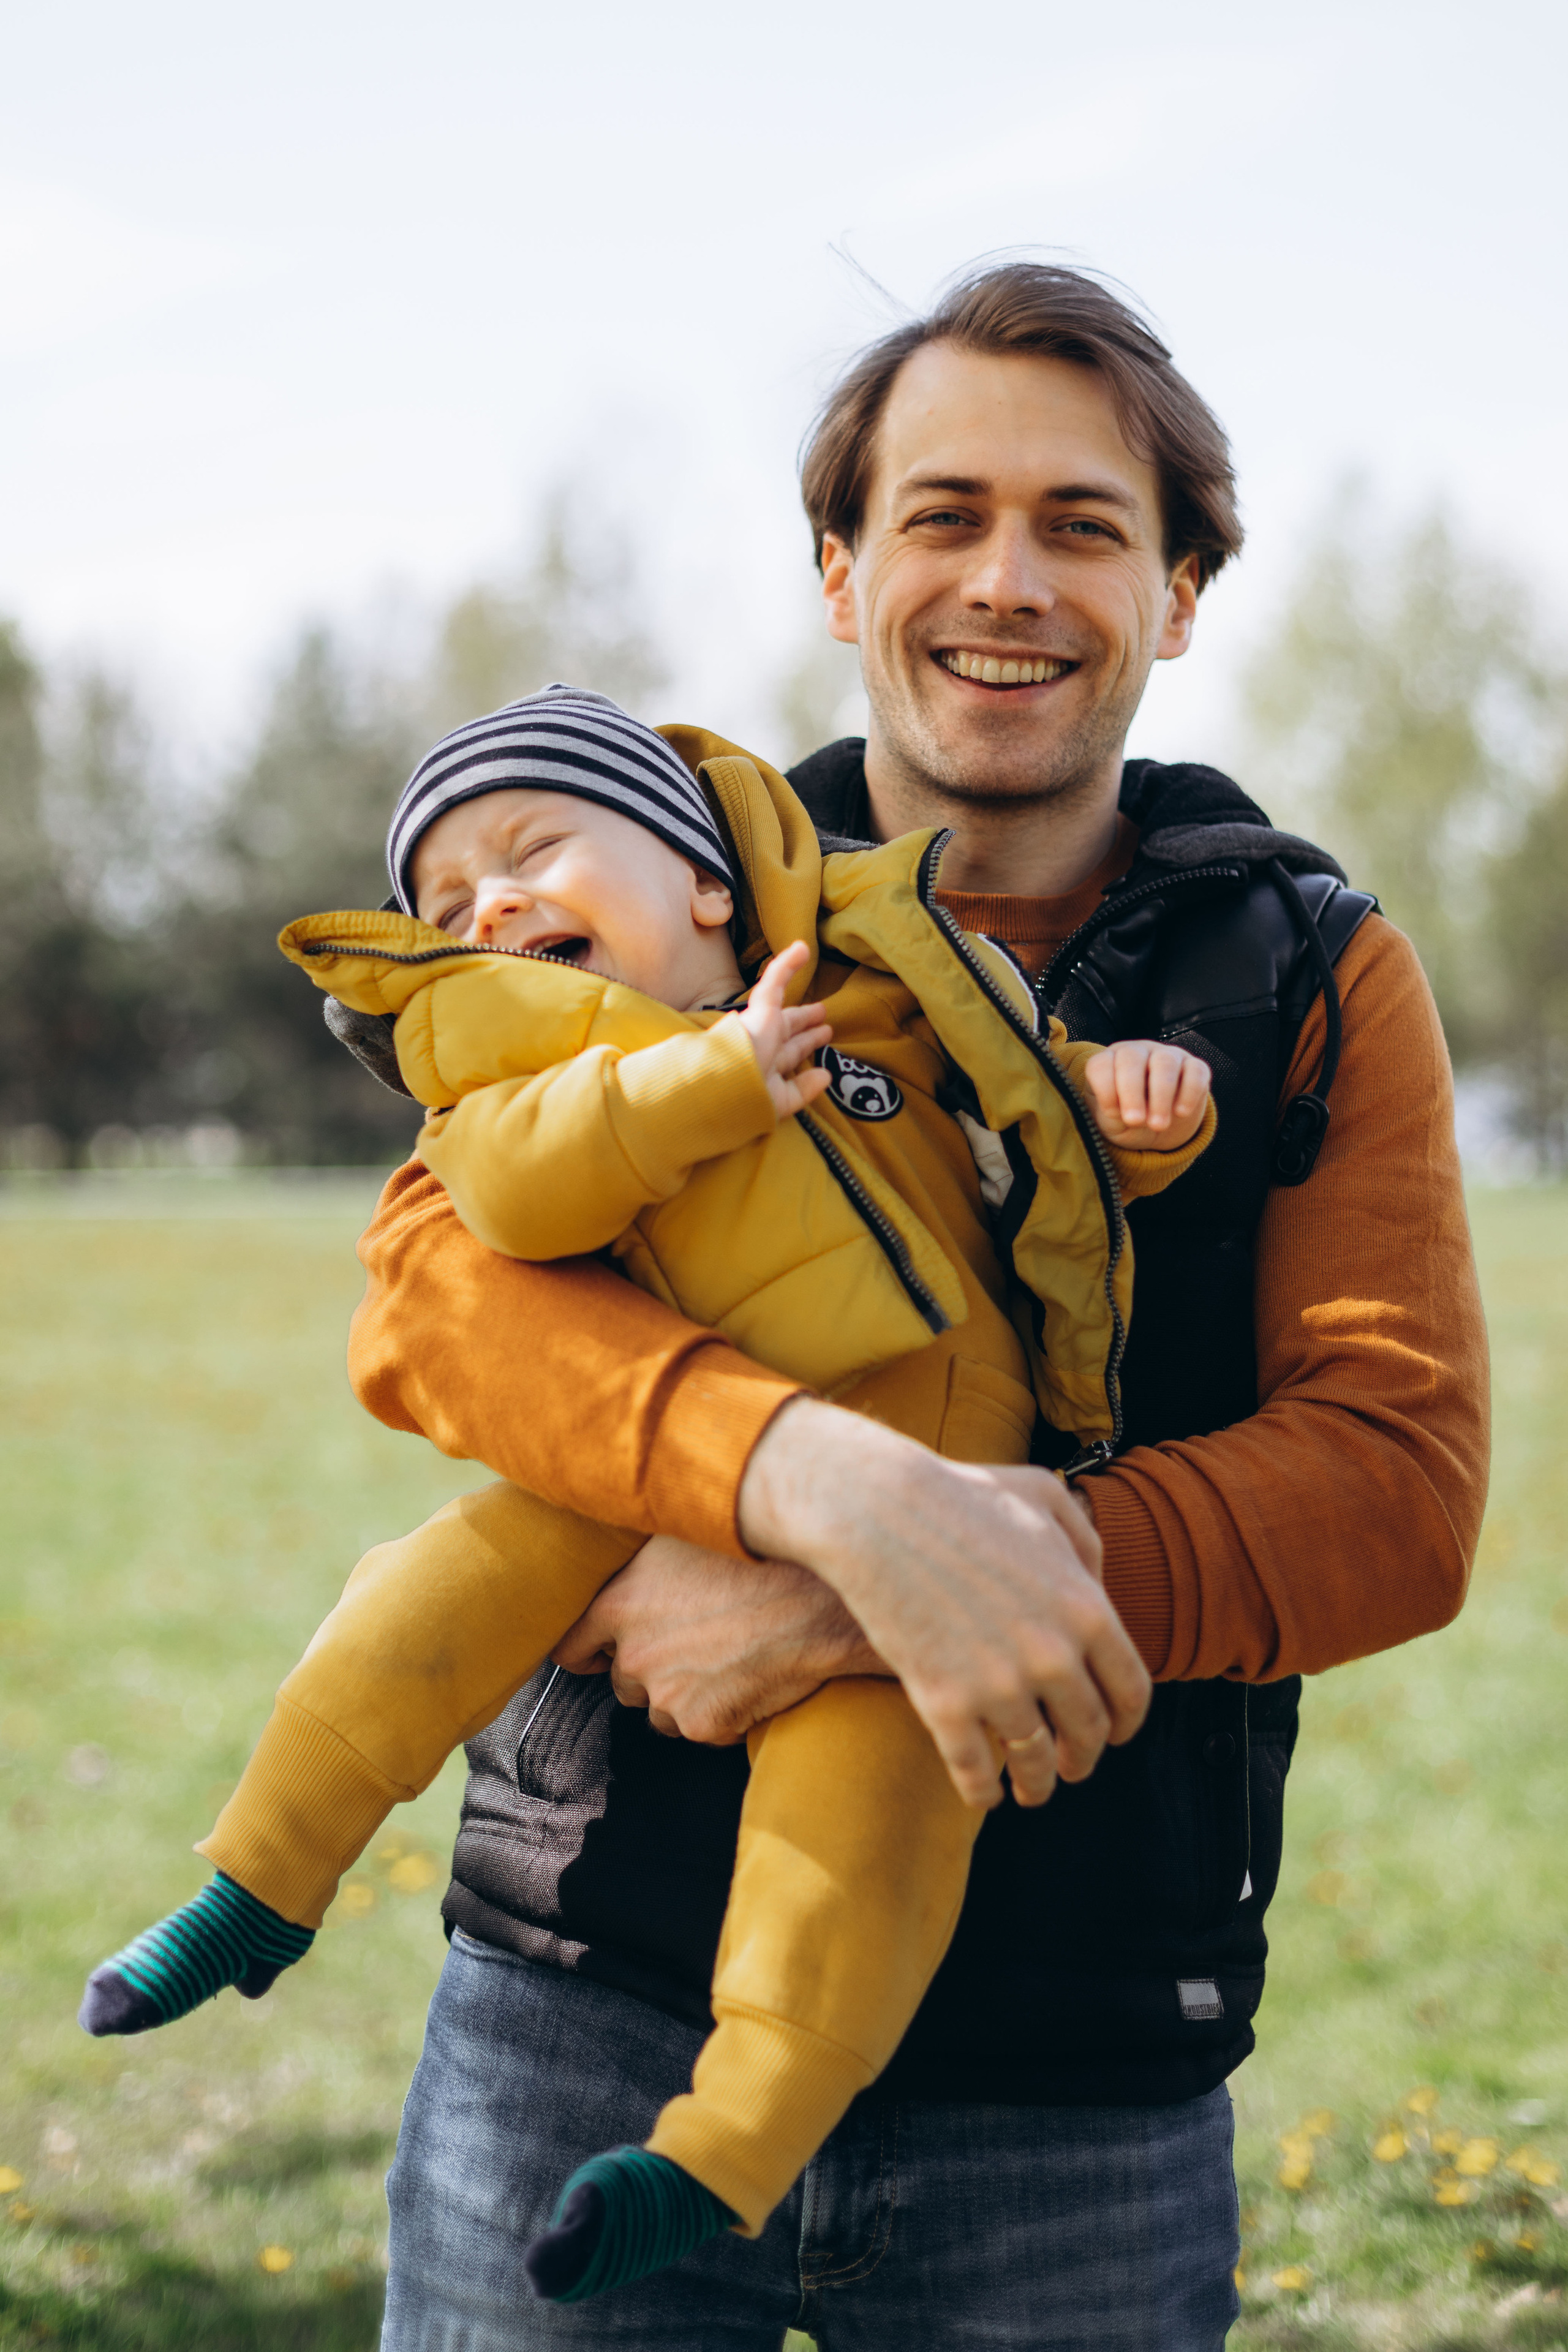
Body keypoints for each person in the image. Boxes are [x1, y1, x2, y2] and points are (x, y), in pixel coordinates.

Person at [341, 265, 1488, 2350]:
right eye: (944, 515)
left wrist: (906, 1573)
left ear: (1184, 592)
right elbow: (434, 1297)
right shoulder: (661, 899)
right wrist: (824, 1486)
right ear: (843, 570)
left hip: (1080, 2073)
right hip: (588, 1999)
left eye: (1085, 526)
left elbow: (1395, 1489)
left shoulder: (1313, 970)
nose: (1010, 580)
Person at [78, 684, 1213, 2304]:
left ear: (697, 879)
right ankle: (254, 1885)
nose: (494, 905)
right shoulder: (509, 1079)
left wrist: (1135, 1108)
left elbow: (1028, 1114)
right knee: (422, 1598)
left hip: (945, 1492)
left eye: (534, 849)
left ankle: (717, 2153)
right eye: (452, 903)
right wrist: (716, 1083)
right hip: (656, 1482)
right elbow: (527, 1197)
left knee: (865, 1832)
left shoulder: (878, 999)